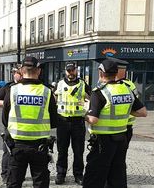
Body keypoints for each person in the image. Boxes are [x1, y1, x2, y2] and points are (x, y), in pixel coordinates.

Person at [83, 59, 147, 188]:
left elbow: (93, 119)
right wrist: (127, 110)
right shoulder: (127, 89)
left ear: (101, 73)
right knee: (117, 173)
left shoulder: (99, 92)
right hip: (122, 138)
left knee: (94, 176)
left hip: (102, 141)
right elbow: (143, 112)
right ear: (116, 73)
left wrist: (84, 113)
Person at [2, 56, 58, 188]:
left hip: (16, 146)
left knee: (14, 183)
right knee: (40, 183)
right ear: (39, 71)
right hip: (40, 146)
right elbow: (54, 121)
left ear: (21, 70)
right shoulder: (47, 92)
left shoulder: (12, 90)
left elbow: (5, 119)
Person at [54, 61, 91, 185]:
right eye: (68, 70)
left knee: (78, 151)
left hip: (78, 122)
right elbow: (53, 100)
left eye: (72, 70)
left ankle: (78, 175)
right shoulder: (59, 84)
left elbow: (92, 100)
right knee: (62, 150)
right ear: (65, 71)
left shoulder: (83, 84)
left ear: (76, 70)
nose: (70, 73)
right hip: (62, 122)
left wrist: (86, 107)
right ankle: (61, 174)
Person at [0, 65, 22, 184]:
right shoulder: (7, 87)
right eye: (18, 73)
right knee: (7, 150)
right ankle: (5, 174)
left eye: (22, 73)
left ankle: (17, 173)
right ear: (14, 74)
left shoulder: (27, 87)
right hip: (10, 123)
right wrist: (10, 102)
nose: (20, 75)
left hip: (24, 124)